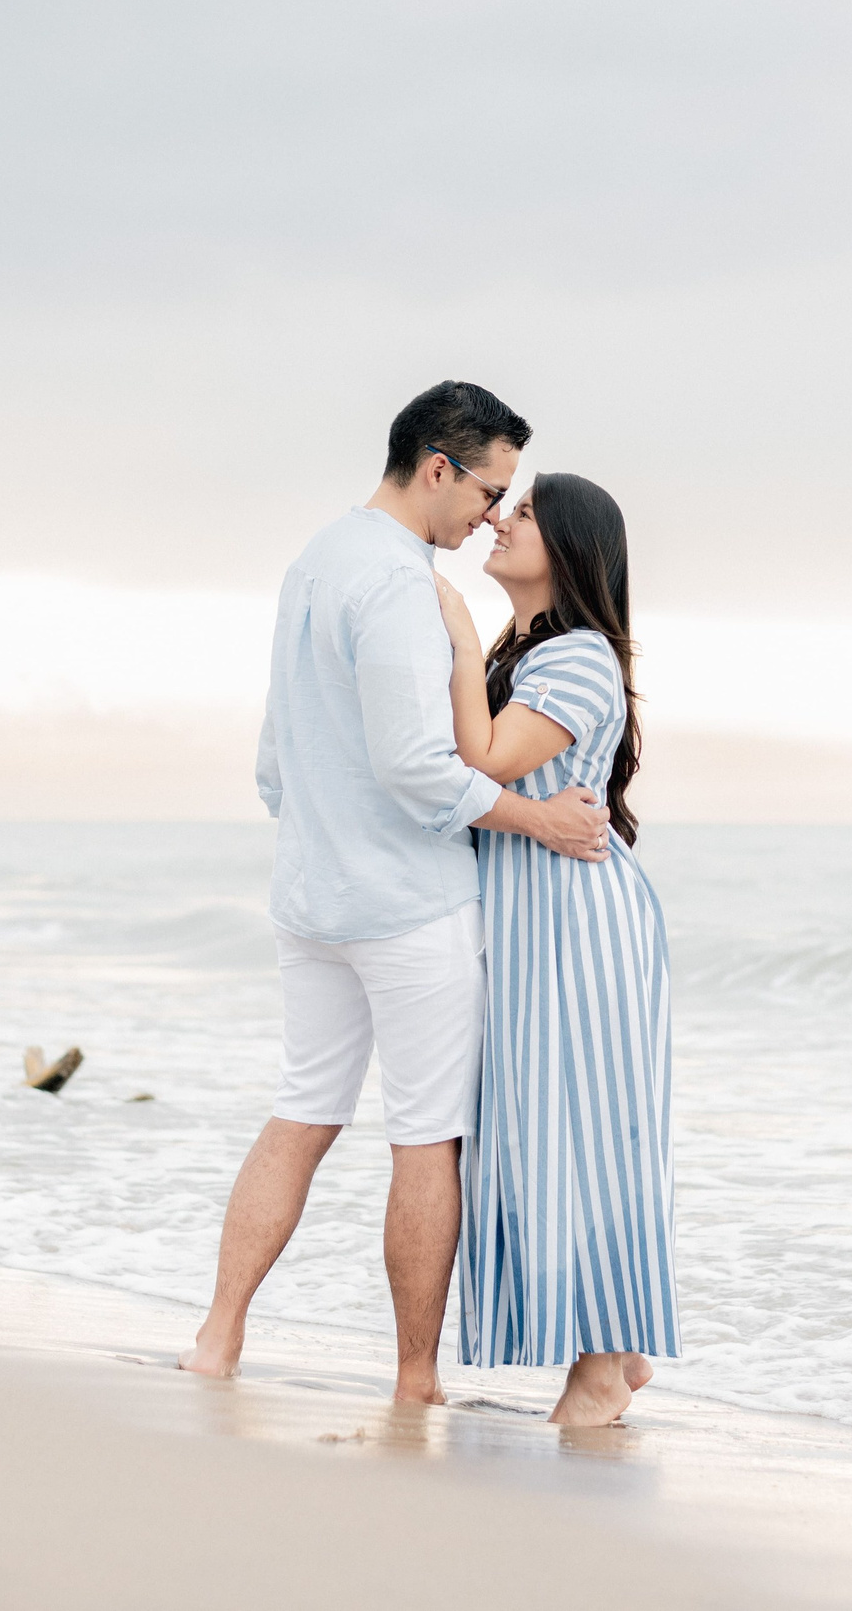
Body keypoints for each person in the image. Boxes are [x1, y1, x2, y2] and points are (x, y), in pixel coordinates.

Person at [179, 381, 612, 1406]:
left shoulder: (314, 561)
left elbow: (276, 764)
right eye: (487, 489)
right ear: (437, 466)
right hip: (411, 908)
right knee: (424, 1136)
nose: (487, 518)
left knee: (300, 1113)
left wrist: (325, 839)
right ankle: (415, 1378)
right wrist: (537, 818)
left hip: (310, 899)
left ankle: (217, 1335)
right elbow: (421, 768)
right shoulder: (402, 585)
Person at [433, 473, 678, 1427]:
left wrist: (453, 634)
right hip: (540, 918)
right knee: (551, 1127)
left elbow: (484, 758)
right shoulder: (529, 651)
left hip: (578, 925)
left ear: (572, 546)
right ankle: (615, 1344)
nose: (499, 517)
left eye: (525, 511)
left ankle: (605, 1365)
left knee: (586, 1132)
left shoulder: (575, 656)